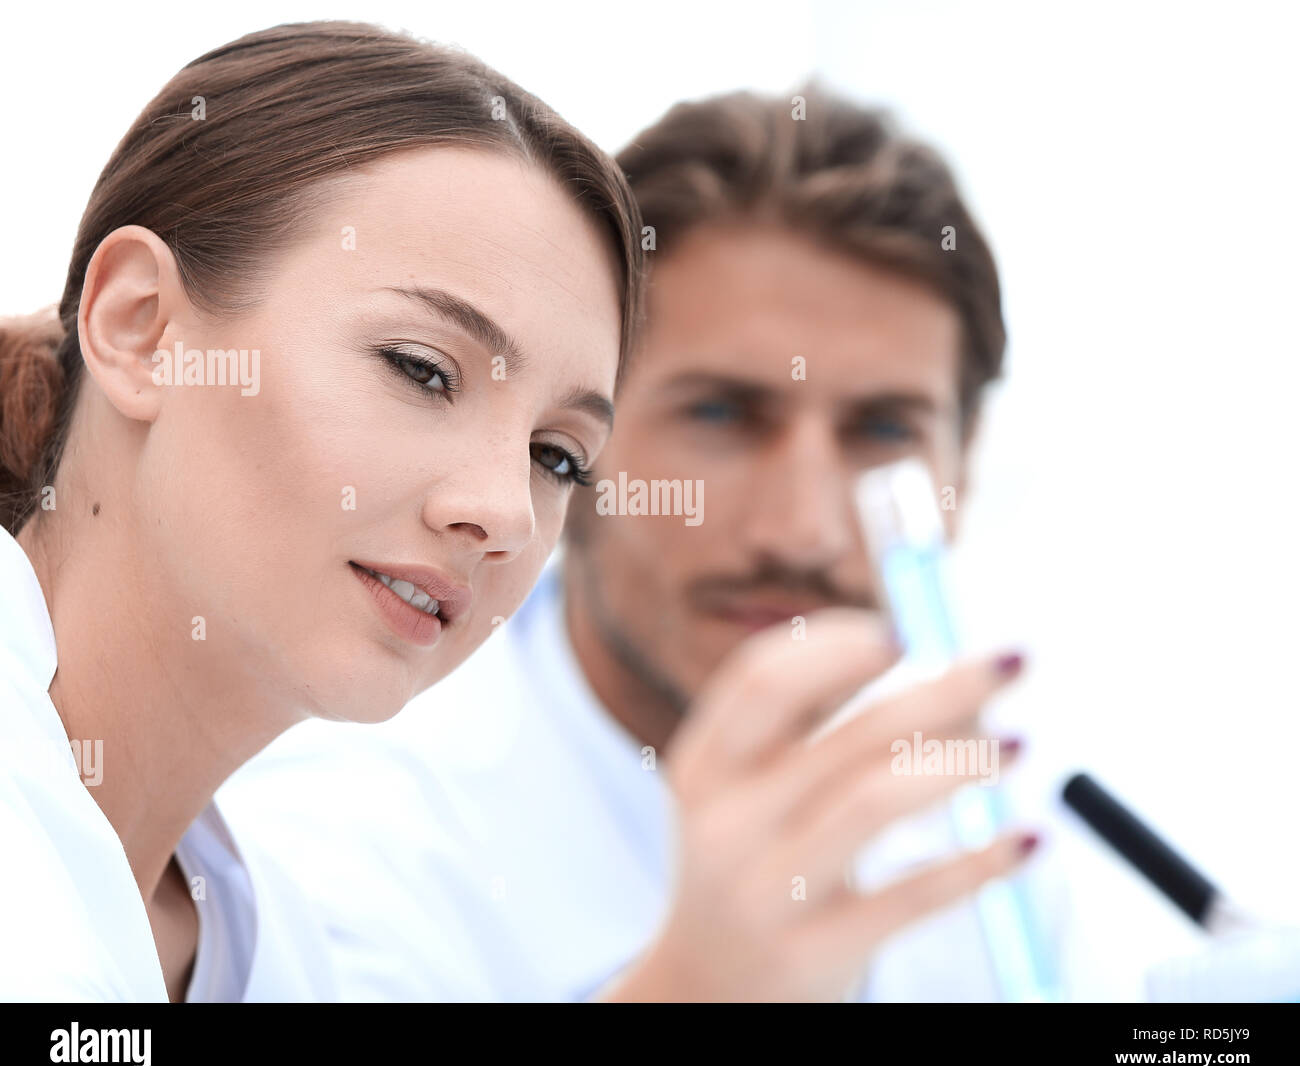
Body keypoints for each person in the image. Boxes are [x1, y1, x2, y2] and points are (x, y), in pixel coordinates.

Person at [219, 87, 1052, 1002]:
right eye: (721, 414)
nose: (802, 531)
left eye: (884, 430)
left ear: (960, 477)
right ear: (572, 441)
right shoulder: (330, 848)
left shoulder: (989, 839)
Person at [0, 19, 641, 1001]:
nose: (504, 513)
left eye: (556, 457)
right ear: (140, 328)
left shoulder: (266, 943)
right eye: (421, 369)